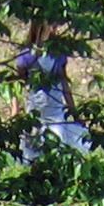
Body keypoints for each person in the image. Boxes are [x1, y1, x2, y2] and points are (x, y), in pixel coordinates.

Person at [17, 21, 94, 159]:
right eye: (51, 26)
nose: (55, 29)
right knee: (33, 152)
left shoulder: (58, 54)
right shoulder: (27, 55)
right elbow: (18, 85)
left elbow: (64, 84)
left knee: (59, 146)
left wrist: (75, 114)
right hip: (36, 111)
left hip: (55, 111)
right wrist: (15, 114)